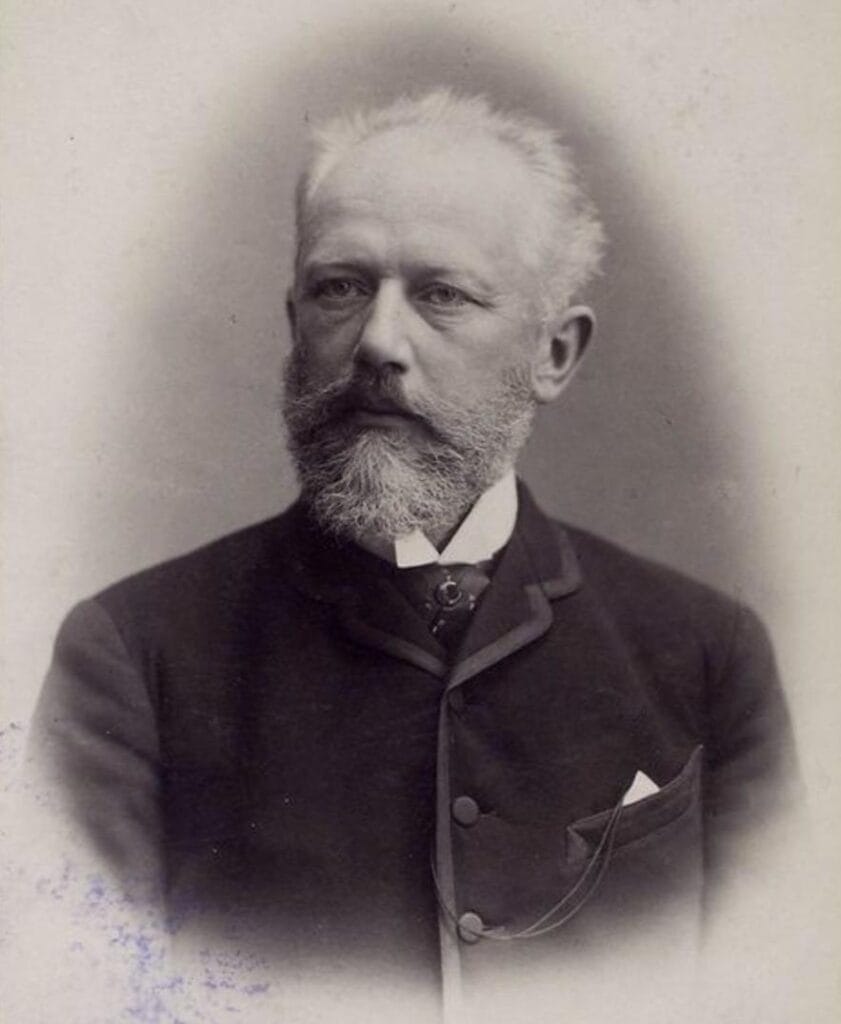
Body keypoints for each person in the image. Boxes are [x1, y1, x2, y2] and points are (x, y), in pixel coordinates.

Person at [24, 90, 797, 1022]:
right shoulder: (133, 654)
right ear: (294, 322)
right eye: (340, 288)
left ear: (554, 353)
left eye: (442, 295)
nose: (378, 343)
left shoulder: (706, 652)